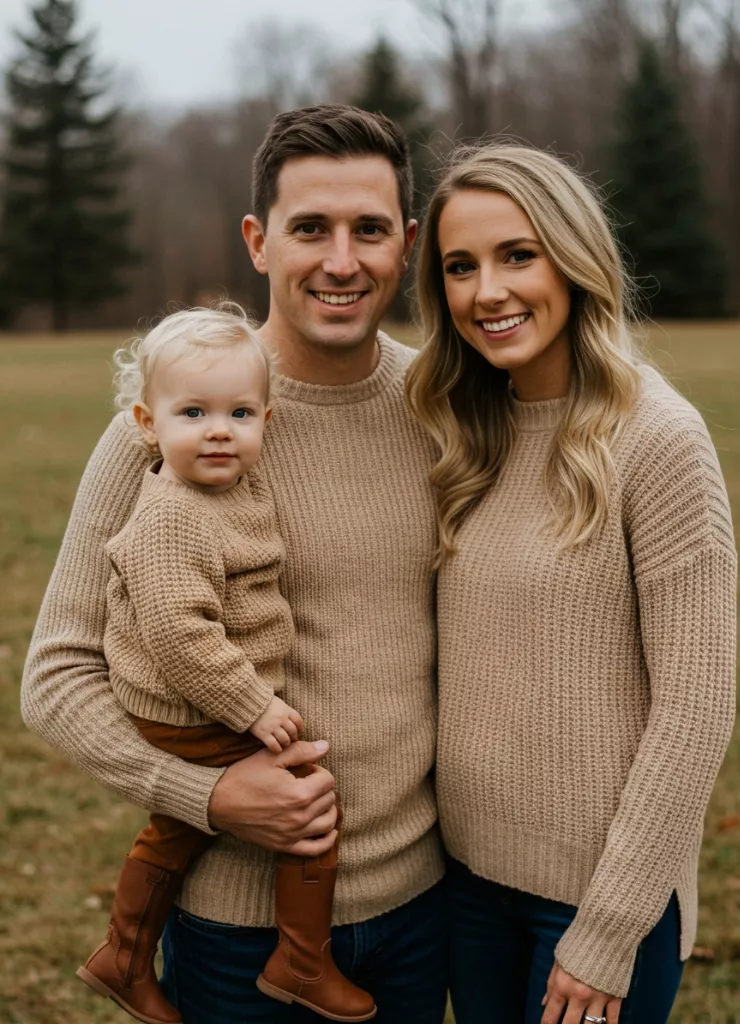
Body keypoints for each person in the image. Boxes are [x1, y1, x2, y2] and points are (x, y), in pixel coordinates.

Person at [21, 106, 447, 1024]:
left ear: (407, 245)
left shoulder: (445, 408)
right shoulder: (170, 428)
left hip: (422, 910)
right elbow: (55, 677)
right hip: (232, 933)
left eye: (370, 230)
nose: (342, 261)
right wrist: (206, 795)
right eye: (310, 229)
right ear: (258, 241)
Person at [406, 144, 737, 1024]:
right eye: (460, 267)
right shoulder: (466, 433)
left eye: (518, 255)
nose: (488, 292)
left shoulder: (659, 438)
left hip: (595, 905)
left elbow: (696, 709)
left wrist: (608, 929)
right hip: (469, 888)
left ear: (574, 257)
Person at [75, 303, 375, 1024]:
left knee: (173, 833)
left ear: (266, 421)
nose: (219, 430)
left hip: (196, 701)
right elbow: (182, 637)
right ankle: (301, 960)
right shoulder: (172, 515)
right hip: (188, 708)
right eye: (193, 413)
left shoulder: (238, 488)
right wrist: (255, 707)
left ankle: (123, 956)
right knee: (308, 805)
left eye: (240, 414)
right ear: (148, 425)